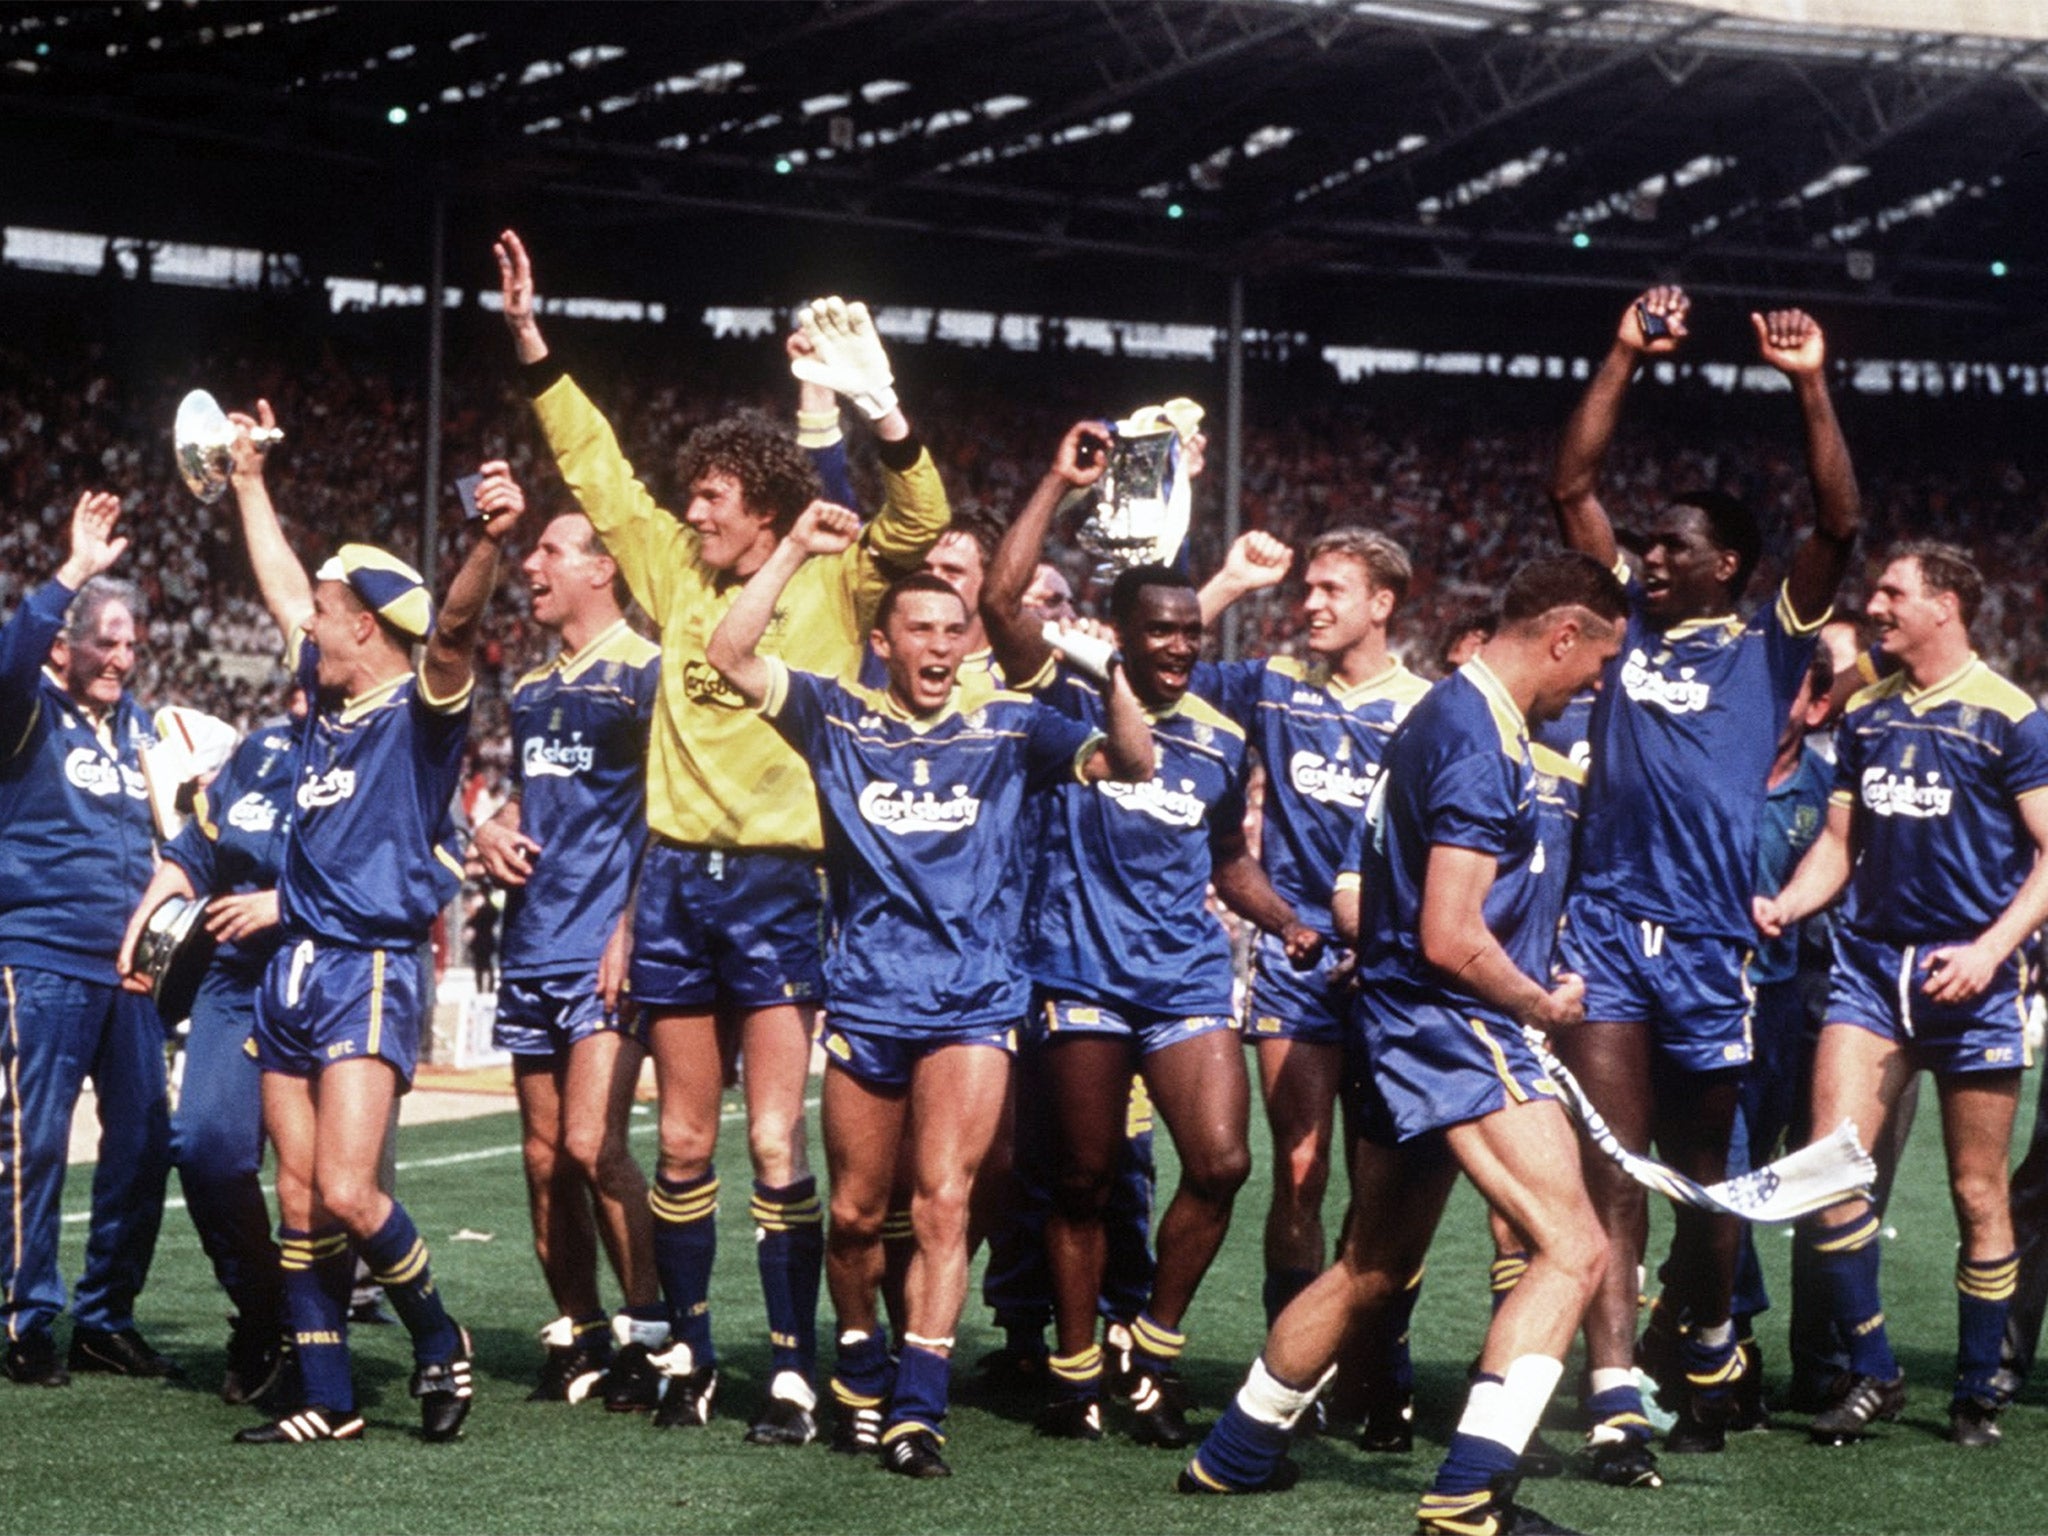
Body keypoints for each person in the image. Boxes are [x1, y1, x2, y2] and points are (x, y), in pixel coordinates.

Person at [496, 230, 951, 1440]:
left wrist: (879, 412)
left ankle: (793, 1366)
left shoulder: (834, 581)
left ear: (763, 509)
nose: (688, 511)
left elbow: (922, 512)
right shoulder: (672, 572)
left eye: (709, 498)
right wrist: (533, 338)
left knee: (771, 1137)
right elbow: (593, 469)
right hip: (676, 885)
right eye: (690, 497)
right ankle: (692, 1357)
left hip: (780, 885)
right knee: (686, 1139)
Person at [1180, 553, 1626, 1536]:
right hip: (1447, 1021)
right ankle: (1470, 1494)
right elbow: (1450, 934)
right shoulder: (1473, 739)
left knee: (1373, 1262)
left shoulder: (1448, 714)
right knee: (1573, 1245)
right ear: (1562, 635)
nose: (1597, 684)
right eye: (1597, 661)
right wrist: (1538, 1005)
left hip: (1399, 1016)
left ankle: (1234, 1451)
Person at [706, 501, 1152, 1476]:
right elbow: (731, 652)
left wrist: (1103, 665)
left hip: (972, 1005)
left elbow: (1132, 759)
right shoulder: (836, 713)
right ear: (882, 641)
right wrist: (790, 549)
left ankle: (916, 1407)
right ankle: (858, 1350)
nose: (942, 646)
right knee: (860, 1216)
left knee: (944, 1201)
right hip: (866, 1001)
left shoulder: (1008, 723)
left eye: (955, 629)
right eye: (921, 629)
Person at [1545, 287, 1860, 1475]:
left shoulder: (1767, 637)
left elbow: (1837, 522)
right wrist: (1622, 351)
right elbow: (1572, 488)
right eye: (1651, 545)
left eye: (1673, 545)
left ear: (1724, 564)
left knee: (1706, 1180)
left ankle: (1712, 1331)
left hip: (1712, 941)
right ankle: (1618, 1394)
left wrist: (1809, 385)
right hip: (1608, 928)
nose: (1651, 555)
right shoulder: (1618, 622)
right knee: (1614, 1166)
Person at [982, 421, 1317, 1447]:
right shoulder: (1062, 703)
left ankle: (1149, 1352)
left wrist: (1283, 917)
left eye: (1191, 631)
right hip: (1076, 972)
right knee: (1079, 1180)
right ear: (1120, 633)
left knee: (1219, 1164)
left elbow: (1225, 858)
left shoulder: (1220, 735)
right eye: (1161, 629)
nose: (1180, 643)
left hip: (1180, 976)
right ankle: (1076, 1371)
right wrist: (1055, 480)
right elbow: (999, 601)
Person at [216, 404, 514, 1444]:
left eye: (328, 611)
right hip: (291, 964)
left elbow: (459, 628)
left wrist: (485, 540)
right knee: (296, 1194)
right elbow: (284, 587)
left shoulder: (420, 711)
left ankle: (440, 1339)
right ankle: (328, 1401)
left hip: (367, 965)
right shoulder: (332, 695)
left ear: (369, 628)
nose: (307, 624)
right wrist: (250, 481)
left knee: (348, 1188)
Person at [1757, 541, 2048, 1449]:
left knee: (1976, 1190)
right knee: (1830, 1173)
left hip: (1974, 981)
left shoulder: (2011, 716)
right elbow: (1839, 849)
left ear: (1945, 606)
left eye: (1893, 591)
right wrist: (1786, 903)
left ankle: (1975, 1389)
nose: (1876, 605)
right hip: (1871, 973)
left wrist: (1992, 950)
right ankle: (1875, 1372)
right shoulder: (1870, 715)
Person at [1192, 527, 1433, 1391]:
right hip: (1294, 962)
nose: (1311, 604)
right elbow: (1170, 665)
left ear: (1382, 604)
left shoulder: (1425, 709)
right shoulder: (1275, 686)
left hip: (1390, 972)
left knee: (1384, 1185)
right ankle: (1289, 1372)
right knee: (1299, 1168)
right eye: (1309, 589)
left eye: (1333, 590)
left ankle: (1371, 1354)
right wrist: (1229, 580)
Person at [468, 503, 666, 1410]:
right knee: (543, 1158)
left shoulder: (647, 676)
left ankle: (652, 1330)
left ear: (603, 569)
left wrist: (632, 924)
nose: (533, 565)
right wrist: (493, 829)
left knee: (594, 1144)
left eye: (550, 550)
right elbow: (537, 804)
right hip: (534, 940)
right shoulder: (536, 688)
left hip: (603, 950)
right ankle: (580, 1331)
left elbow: (669, 817)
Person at [0, 491, 175, 1387]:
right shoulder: (25, 709)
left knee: (147, 1137)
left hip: (131, 973)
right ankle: (27, 1318)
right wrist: (73, 569)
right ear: (65, 647)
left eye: (133, 645)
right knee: (33, 1142)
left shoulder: (143, 727)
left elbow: (180, 830)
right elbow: (7, 658)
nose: (122, 657)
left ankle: (107, 1315)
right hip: (39, 957)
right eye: (105, 641)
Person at [117, 692, 308, 1407]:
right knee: (205, 1147)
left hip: (326, 971)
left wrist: (283, 905)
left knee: (320, 1179)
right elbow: (193, 853)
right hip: (233, 976)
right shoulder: (259, 751)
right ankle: (263, 1311)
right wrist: (146, 920)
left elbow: (396, 875)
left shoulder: (378, 746)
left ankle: (324, 1342)